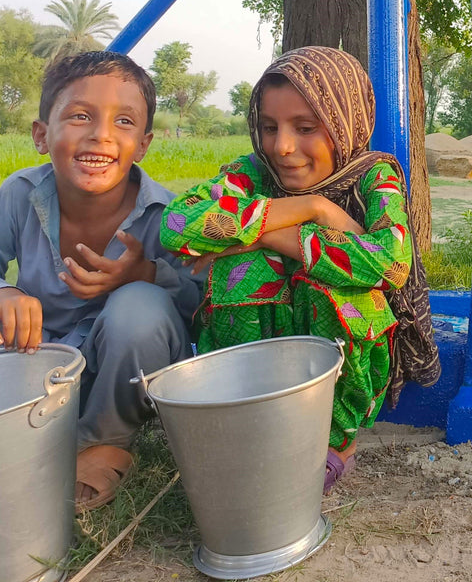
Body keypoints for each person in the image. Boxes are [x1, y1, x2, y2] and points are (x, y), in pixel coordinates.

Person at [161, 46, 439, 493]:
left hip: (347, 348)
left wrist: (249, 230)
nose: (282, 147)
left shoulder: (375, 177)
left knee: (322, 276)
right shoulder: (253, 170)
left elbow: (389, 263)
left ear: (345, 121)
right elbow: (177, 224)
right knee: (252, 264)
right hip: (261, 359)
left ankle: (336, 444)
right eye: (269, 128)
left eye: (306, 128)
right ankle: (244, 417)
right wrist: (311, 209)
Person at [0, 51, 201, 511]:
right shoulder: (19, 194)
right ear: (40, 134)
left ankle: (106, 440)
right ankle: (39, 428)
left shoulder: (166, 217)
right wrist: (6, 291)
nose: (101, 134)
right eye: (80, 115)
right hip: (39, 357)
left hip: (125, 373)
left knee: (140, 306)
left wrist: (143, 273)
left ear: (144, 145)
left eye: (124, 121)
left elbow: (198, 311)